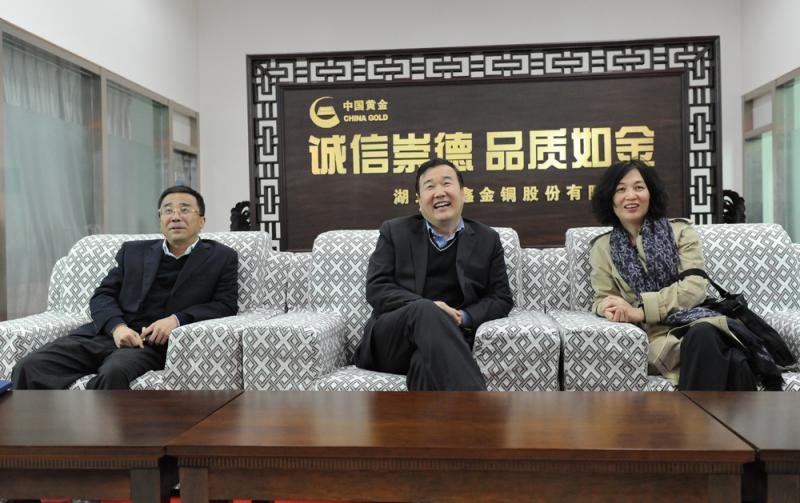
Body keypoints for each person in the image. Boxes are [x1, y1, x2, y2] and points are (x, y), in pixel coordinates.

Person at [12, 186, 238, 390]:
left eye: (185, 210)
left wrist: (176, 320)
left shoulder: (221, 257)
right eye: (168, 211)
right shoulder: (134, 252)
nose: (175, 216)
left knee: (113, 374)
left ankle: (91, 425)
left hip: (150, 345)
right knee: (29, 366)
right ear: (160, 220)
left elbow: (225, 304)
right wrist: (117, 328)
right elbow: (102, 296)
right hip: (106, 335)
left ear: (202, 221)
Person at [589, 159, 758, 391]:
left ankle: (692, 414)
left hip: (696, 319)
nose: (631, 196)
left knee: (704, 335)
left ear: (651, 193)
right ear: (610, 198)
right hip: (656, 337)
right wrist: (608, 307)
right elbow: (602, 298)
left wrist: (640, 311)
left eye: (639, 187)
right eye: (621, 189)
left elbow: (694, 287)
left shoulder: (681, 232)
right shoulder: (602, 248)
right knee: (728, 356)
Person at [353, 157, 513, 390]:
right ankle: (480, 407)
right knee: (425, 310)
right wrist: (429, 308)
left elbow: (501, 298)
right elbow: (377, 288)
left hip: (446, 340)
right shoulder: (394, 231)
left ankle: (435, 417)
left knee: (425, 365)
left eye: (447, 183)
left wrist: (461, 317)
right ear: (419, 201)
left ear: (463, 193)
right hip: (393, 340)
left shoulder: (487, 239)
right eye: (430, 187)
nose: (439, 193)